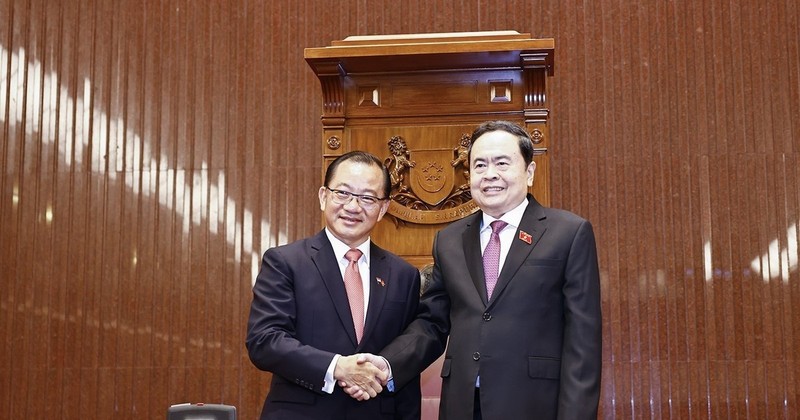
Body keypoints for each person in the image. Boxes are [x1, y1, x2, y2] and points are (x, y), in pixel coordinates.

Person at [345, 121, 602, 419]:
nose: (490, 174)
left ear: (529, 173)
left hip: (536, 404)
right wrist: (387, 364)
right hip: (463, 405)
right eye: (479, 165)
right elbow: (433, 323)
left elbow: (583, 342)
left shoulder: (568, 233)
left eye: (502, 163)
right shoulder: (449, 240)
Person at [246, 151, 423, 419]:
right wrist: (337, 367)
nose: (353, 206)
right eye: (342, 193)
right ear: (323, 196)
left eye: (367, 198)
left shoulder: (404, 275)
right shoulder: (285, 262)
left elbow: (406, 364)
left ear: (383, 208)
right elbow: (265, 341)